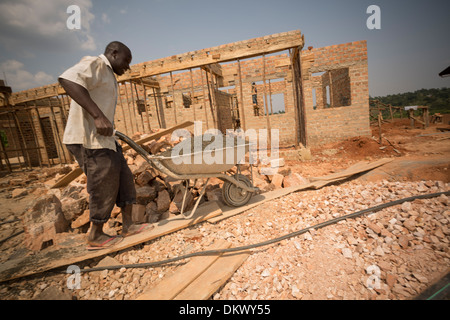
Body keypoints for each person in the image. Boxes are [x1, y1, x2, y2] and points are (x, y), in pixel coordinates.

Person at [59, 41, 151, 250]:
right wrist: (98, 116)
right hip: (88, 139)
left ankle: (128, 225)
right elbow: (67, 79)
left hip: (105, 140)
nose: (127, 67)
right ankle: (95, 234)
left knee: (125, 178)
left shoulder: (109, 75)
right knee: (103, 182)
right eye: (126, 61)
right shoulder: (96, 64)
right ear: (113, 53)